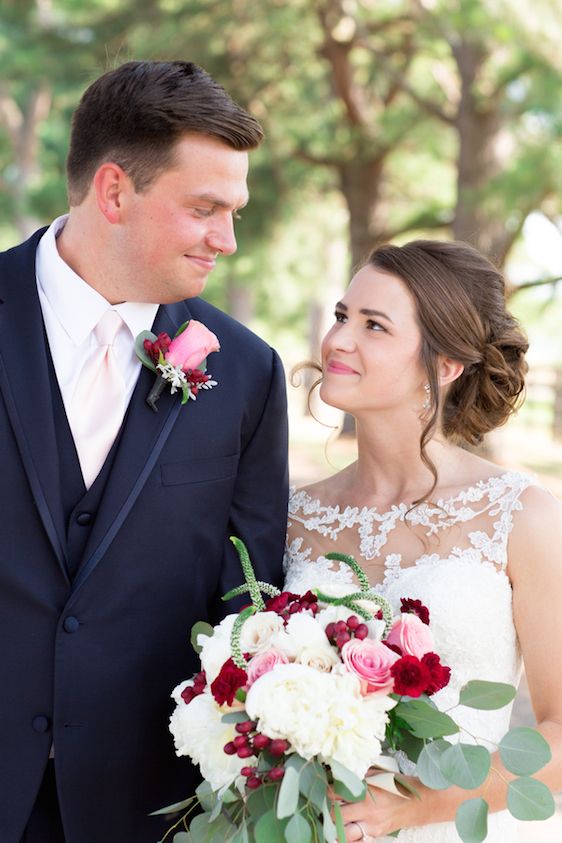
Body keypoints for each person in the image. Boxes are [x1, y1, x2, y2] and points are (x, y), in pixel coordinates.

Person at [0, 60, 288, 842]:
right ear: (115, 191)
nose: (227, 240)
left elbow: (247, 607)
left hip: (144, 810)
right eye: (205, 208)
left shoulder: (247, 371)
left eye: (236, 211)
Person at [284, 239, 562, 842]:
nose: (338, 341)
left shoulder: (522, 516)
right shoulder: (293, 518)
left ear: (444, 366)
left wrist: (412, 805)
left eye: (374, 326)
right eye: (341, 316)